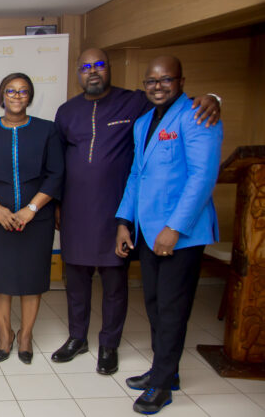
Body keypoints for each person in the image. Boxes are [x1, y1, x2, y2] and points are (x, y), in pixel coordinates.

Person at [52, 48, 222, 374]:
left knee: (116, 283)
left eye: (99, 65)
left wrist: (213, 98)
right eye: (86, 66)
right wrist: (58, 204)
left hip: (117, 211)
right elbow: (58, 162)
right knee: (76, 281)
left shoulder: (135, 102)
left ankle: (109, 345)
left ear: (109, 68)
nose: (92, 71)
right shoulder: (67, 111)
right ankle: (77, 338)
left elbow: (177, 105)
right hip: (76, 210)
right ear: (77, 73)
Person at [115, 56, 222, 414]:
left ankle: (161, 386)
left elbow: (203, 177)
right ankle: (166, 370)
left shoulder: (198, 115)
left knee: (172, 308)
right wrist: (123, 221)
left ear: (180, 81)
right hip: (147, 231)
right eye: (151, 81)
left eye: (165, 80)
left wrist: (174, 228)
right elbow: (136, 175)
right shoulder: (143, 122)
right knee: (155, 305)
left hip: (181, 235)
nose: (158, 86)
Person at [0, 73, 64, 364]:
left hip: (37, 220)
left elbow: (56, 174)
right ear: (2, 96)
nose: (17, 96)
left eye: (23, 91)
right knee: (0, 280)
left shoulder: (47, 130)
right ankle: (4, 334)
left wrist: (31, 209)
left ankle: (25, 335)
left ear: (29, 97)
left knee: (32, 280)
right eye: (11, 90)